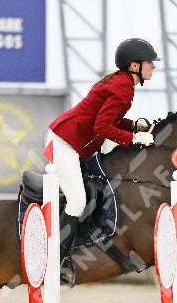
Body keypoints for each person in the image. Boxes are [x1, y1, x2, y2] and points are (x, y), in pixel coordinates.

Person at [45, 38, 160, 285]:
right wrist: (133, 138)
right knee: (77, 201)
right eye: (149, 62)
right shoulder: (123, 87)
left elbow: (110, 119)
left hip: (73, 142)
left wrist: (133, 125)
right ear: (134, 65)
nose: (153, 66)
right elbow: (102, 126)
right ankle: (57, 260)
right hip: (64, 142)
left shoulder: (122, 83)